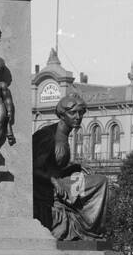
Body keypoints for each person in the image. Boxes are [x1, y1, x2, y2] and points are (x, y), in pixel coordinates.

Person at [33, 92, 109, 240]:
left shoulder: (64, 134)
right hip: (46, 187)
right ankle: (89, 229)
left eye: (81, 113)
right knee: (101, 182)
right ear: (62, 115)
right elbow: (33, 168)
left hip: (58, 181)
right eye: (73, 113)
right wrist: (54, 182)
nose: (78, 116)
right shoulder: (48, 136)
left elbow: (55, 166)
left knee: (100, 180)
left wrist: (74, 168)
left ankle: (91, 229)